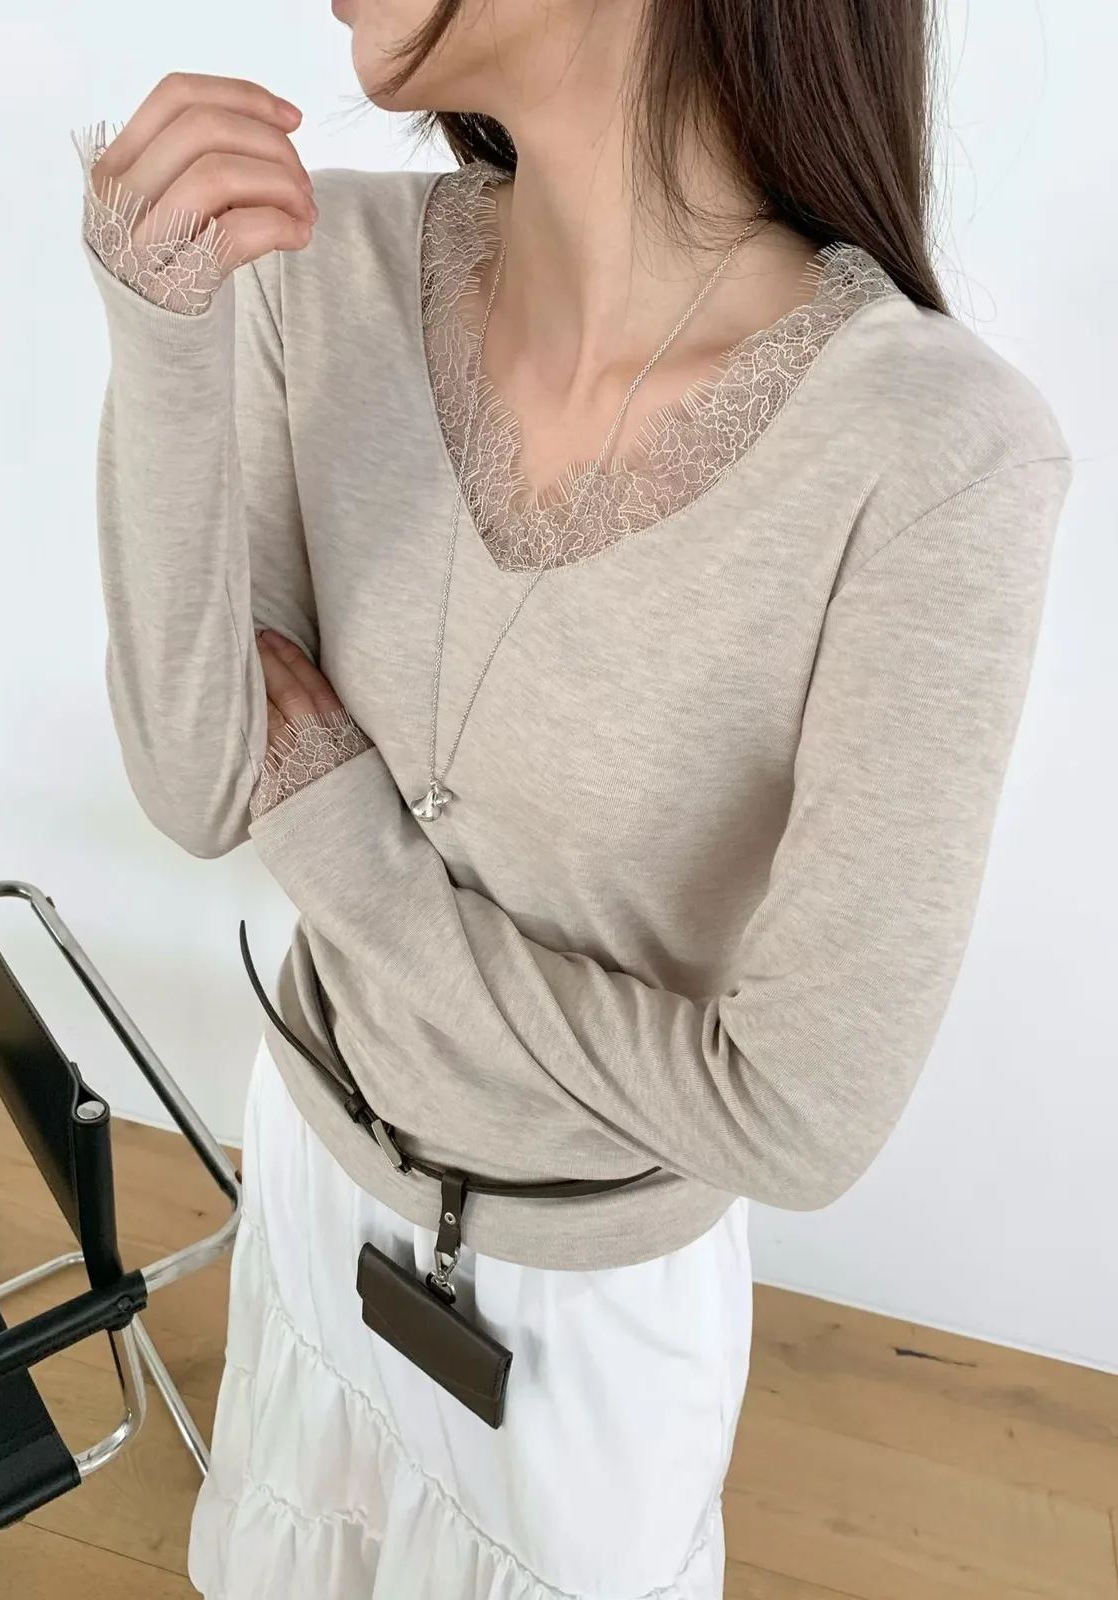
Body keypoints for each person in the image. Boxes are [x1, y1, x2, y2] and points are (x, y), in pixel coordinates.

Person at [76, 0, 1072, 1589]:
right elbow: (198, 782)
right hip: (313, 1180)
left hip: (588, 1320)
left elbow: (796, 1121)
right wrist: (161, 339)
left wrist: (349, 848)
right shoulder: (313, 268)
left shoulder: (937, 453)